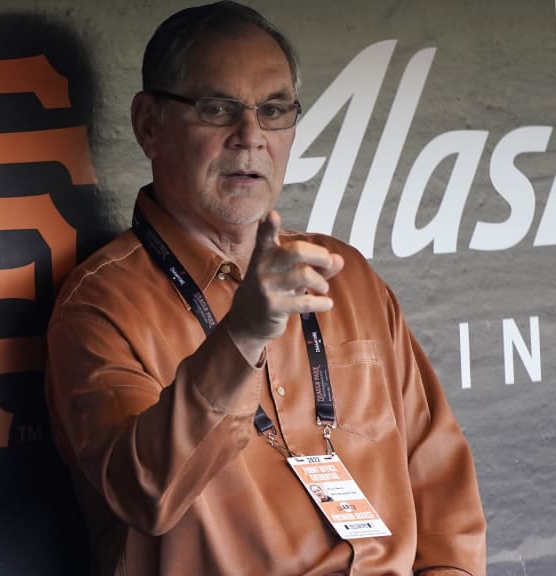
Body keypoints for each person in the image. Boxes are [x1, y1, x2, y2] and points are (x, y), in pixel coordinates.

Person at [45, 2, 486, 575]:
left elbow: (444, 493)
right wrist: (243, 336)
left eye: (273, 110)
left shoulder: (343, 274)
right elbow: (146, 493)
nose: (250, 136)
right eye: (216, 108)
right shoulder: (101, 305)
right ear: (149, 125)